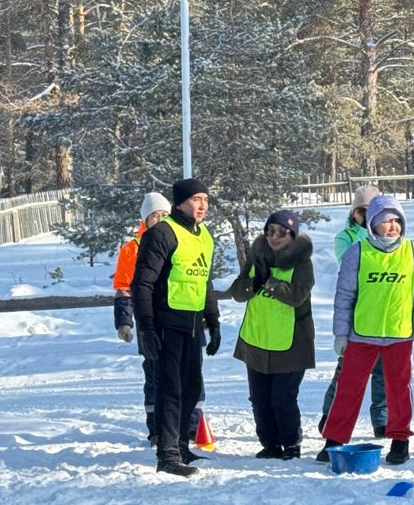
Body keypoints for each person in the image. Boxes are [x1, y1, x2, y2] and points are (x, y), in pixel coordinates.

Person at [319, 193, 414, 467]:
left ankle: (400, 440)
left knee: (398, 388)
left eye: (397, 220)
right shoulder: (357, 252)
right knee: (348, 388)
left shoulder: (412, 251)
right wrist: (340, 333)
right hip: (362, 334)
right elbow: (344, 295)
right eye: (386, 221)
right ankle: (334, 440)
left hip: (399, 334)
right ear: (372, 223)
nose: (393, 226)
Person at [131, 178, 221, 477]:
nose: (203, 206)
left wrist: (214, 321)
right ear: (180, 202)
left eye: (206, 200)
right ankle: (166, 454)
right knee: (170, 389)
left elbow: (204, 281)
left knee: (191, 387)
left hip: (193, 324)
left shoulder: (204, 235)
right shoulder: (161, 233)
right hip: (166, 322)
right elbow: (141, 284)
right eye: (196, 199)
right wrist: (146, 328)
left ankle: (181, 446)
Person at [229, 208, 316, 460]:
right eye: (270, 231)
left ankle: (290, 444)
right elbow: (237, 292)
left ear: (292, 236)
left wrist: (270, 282)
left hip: (290, 343)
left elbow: (297, 296)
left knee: (282, 398)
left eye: (282, 233)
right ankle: (269, 443)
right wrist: (252, 283)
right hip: (256, 339)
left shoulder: (302, 263)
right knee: (259, 398)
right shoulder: (257, 257)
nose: (275, 237)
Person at [318, 184, 389, 436]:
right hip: (358, 313)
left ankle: (382, 420)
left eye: (372, 210)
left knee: (383, 372)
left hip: (384, 313)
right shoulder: (347, 237)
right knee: (348, 370)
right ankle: (331, 415)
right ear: (354, 213)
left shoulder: (390, 235)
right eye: (361, 210)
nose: (366, 215)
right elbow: (351, 265)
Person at [112, 191, 172, 443]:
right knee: (155, 373)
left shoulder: (179, 241)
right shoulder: (132, 249)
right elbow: (123, 287)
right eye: (154, 215)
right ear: (145, 219)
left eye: (164, 215)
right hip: (150, 320)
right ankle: (157, 429)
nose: (159, 219)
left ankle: (189, 425)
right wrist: (124, 321)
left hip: (177, 317)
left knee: (186, 374)